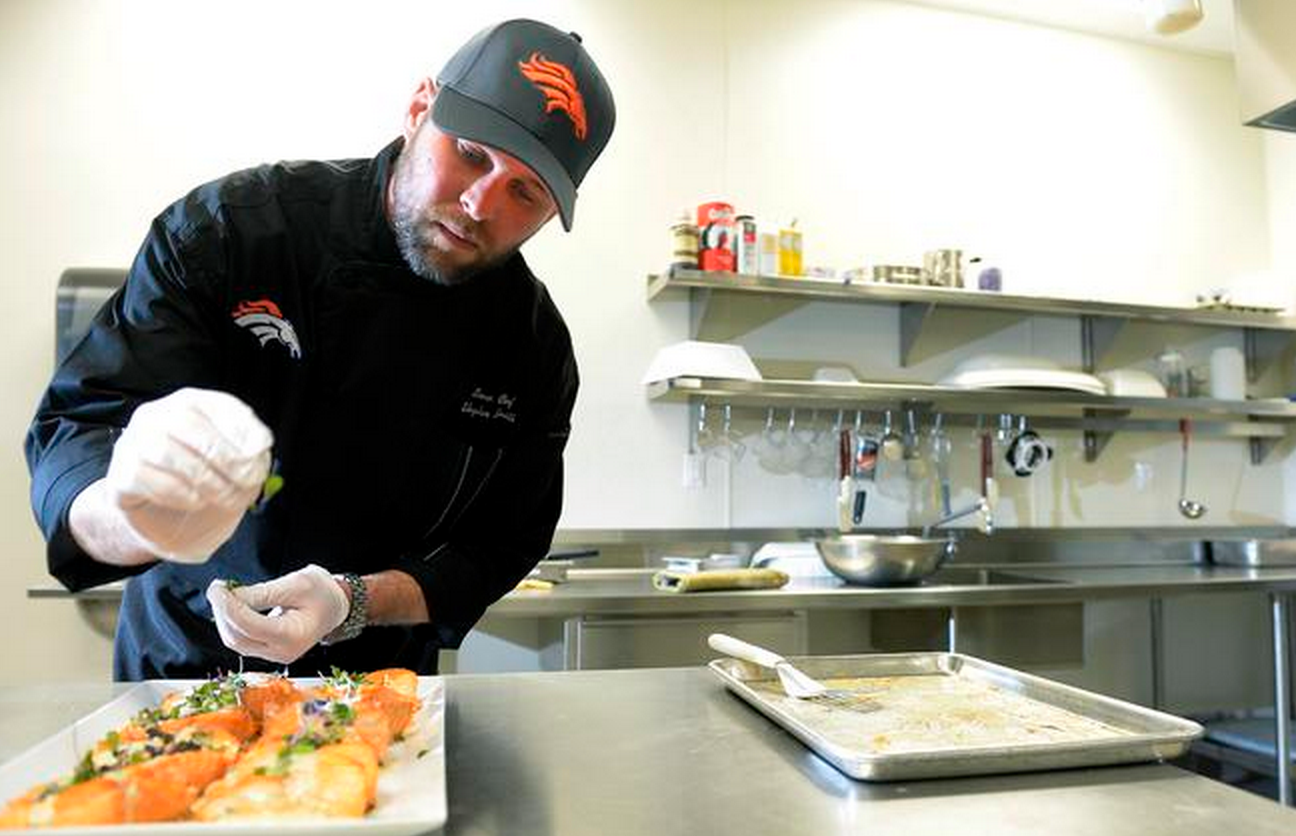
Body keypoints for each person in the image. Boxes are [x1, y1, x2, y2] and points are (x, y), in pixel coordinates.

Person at [24, 18, 615, 680]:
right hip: (182, 661)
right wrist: (135, 513)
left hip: (378, 689)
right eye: (472, 154)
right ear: (420, 109)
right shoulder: (233, 233)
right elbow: (83, 424)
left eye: (524, 191)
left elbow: (499, 548)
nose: (480, 204)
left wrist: (350, 602)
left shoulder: (531, 348)